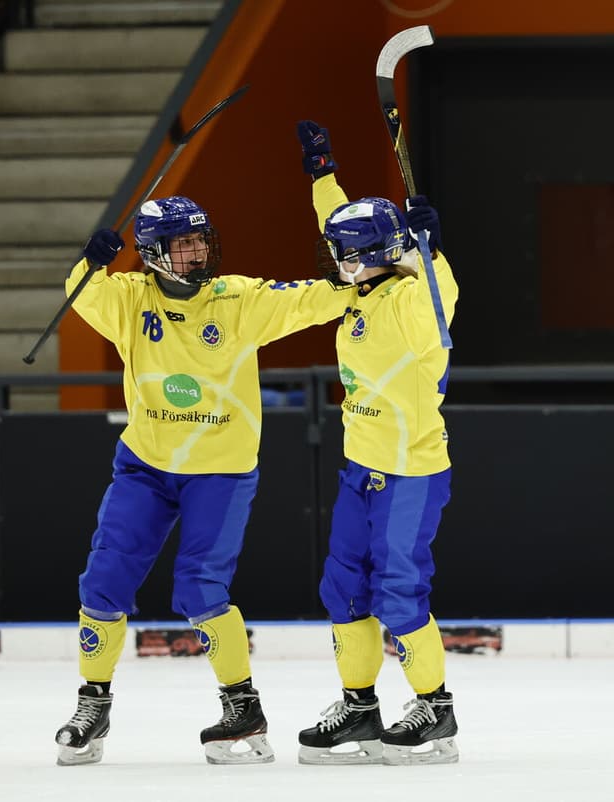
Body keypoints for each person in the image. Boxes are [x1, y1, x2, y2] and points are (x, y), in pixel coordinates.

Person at [54, 195, 353, 766]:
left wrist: (360, 260)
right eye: (182, 244)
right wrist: (89, 260)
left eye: (201, 241)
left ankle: (243, 706)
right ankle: (93, 702)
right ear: (151, 254)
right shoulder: (128, 299)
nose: (197, 252)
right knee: (102, 582)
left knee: (198, 589)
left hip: (219, 470)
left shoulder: (239, 299)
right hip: (145, 465)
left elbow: (322, 298)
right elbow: (80, 289)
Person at [291, 119, 460, 766]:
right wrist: (322, 174)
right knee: (345, 588)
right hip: (361, 467)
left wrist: (433, 253)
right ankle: (359, 708)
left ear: (378, 254)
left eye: (345, 253)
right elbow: (343, 222)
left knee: (399, 588)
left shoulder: (416, 305)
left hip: (412, 469)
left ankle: (436, 712)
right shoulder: (359, 291)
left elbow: (439, 296)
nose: (334, 261)